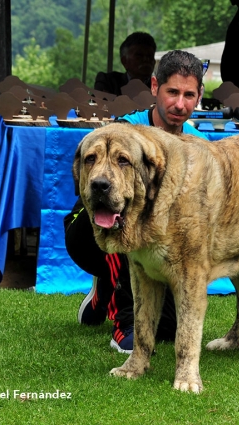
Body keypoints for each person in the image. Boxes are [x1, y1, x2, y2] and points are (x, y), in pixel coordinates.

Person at [66, 50, 205, 354]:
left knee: (166, 328)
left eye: (188, 94)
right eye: (172, 92)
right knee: (129, 224)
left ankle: (105, 287)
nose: (179, 104)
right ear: (155, 87)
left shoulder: (197, 145)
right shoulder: (122, 131)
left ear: (199, 96)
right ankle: (124, 323)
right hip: (95, 225)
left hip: (155, 243)